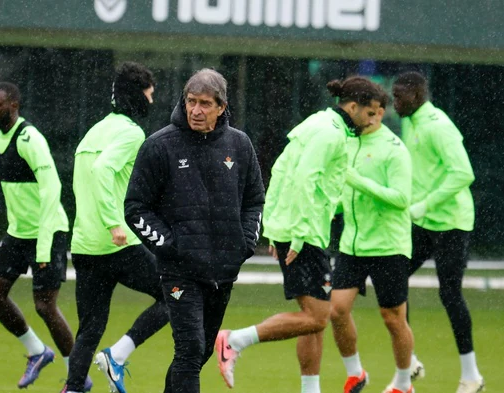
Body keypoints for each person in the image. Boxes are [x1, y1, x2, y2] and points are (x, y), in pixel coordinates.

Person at [217, 76, 382, 393]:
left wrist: (275, 225)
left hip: (296, 228)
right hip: (304, 234)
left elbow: (281, 169)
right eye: (370, 112)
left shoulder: (318, 124)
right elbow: (305, 179)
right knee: (319, 318)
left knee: (313, 315)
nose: (373, 120)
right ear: (352, 106)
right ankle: (235, 340)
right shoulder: (330, 134)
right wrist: (298, 233)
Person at [124, 68, 265, 393]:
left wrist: (244, 244)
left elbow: (254, 200)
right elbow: (135, 207)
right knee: (188, 349)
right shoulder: (160, 145)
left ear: (221, 106)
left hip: (223, 272)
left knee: (198, 353)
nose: (196, 110)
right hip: (179, 272)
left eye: (204, 104)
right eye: (191, 102)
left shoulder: (239, 145)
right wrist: (170, 246)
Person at [62, 62, 169, 393]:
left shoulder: (94, 131)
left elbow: (85, 179)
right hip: (117, 243)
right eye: (150, 96)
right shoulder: (131, 132)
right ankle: (118, 355)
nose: (152, 102)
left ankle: (73, 388)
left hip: (84, 246)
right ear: (138, 96)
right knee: (173, 296)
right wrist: (112, 223)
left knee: (89, 328)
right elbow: (103, 170)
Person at [0, 82, 92, 391]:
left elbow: (51, 190)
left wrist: (43, 248)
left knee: (45, 306)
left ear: (14, 106)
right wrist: (12, 231)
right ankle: (37, 352)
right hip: (18, 234)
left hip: (49, 232)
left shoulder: (30, 139)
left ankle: (78, 377)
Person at [392, 72, 483, 393]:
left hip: (452, 223)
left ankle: (472, 377)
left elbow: (463, 173)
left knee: (449, 294)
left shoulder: (438, 126)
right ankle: (409, 358)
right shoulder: (410, 121)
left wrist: (424, 205)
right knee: (393, 279)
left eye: (399, 97)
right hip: (422, 221)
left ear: (416, 97)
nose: (394, 102)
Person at [329, 89, 417, 393]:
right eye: (368, 109)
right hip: (352, 245)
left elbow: (402, 198)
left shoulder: (395, 149)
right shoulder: (347, 141)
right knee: (337, 310)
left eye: (378, 110)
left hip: (388, 246)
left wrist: (357, 181)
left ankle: (404, 383)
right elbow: (345, 194)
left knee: (393, 319)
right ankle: (356, 373)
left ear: (381, 113)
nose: (373, 115)